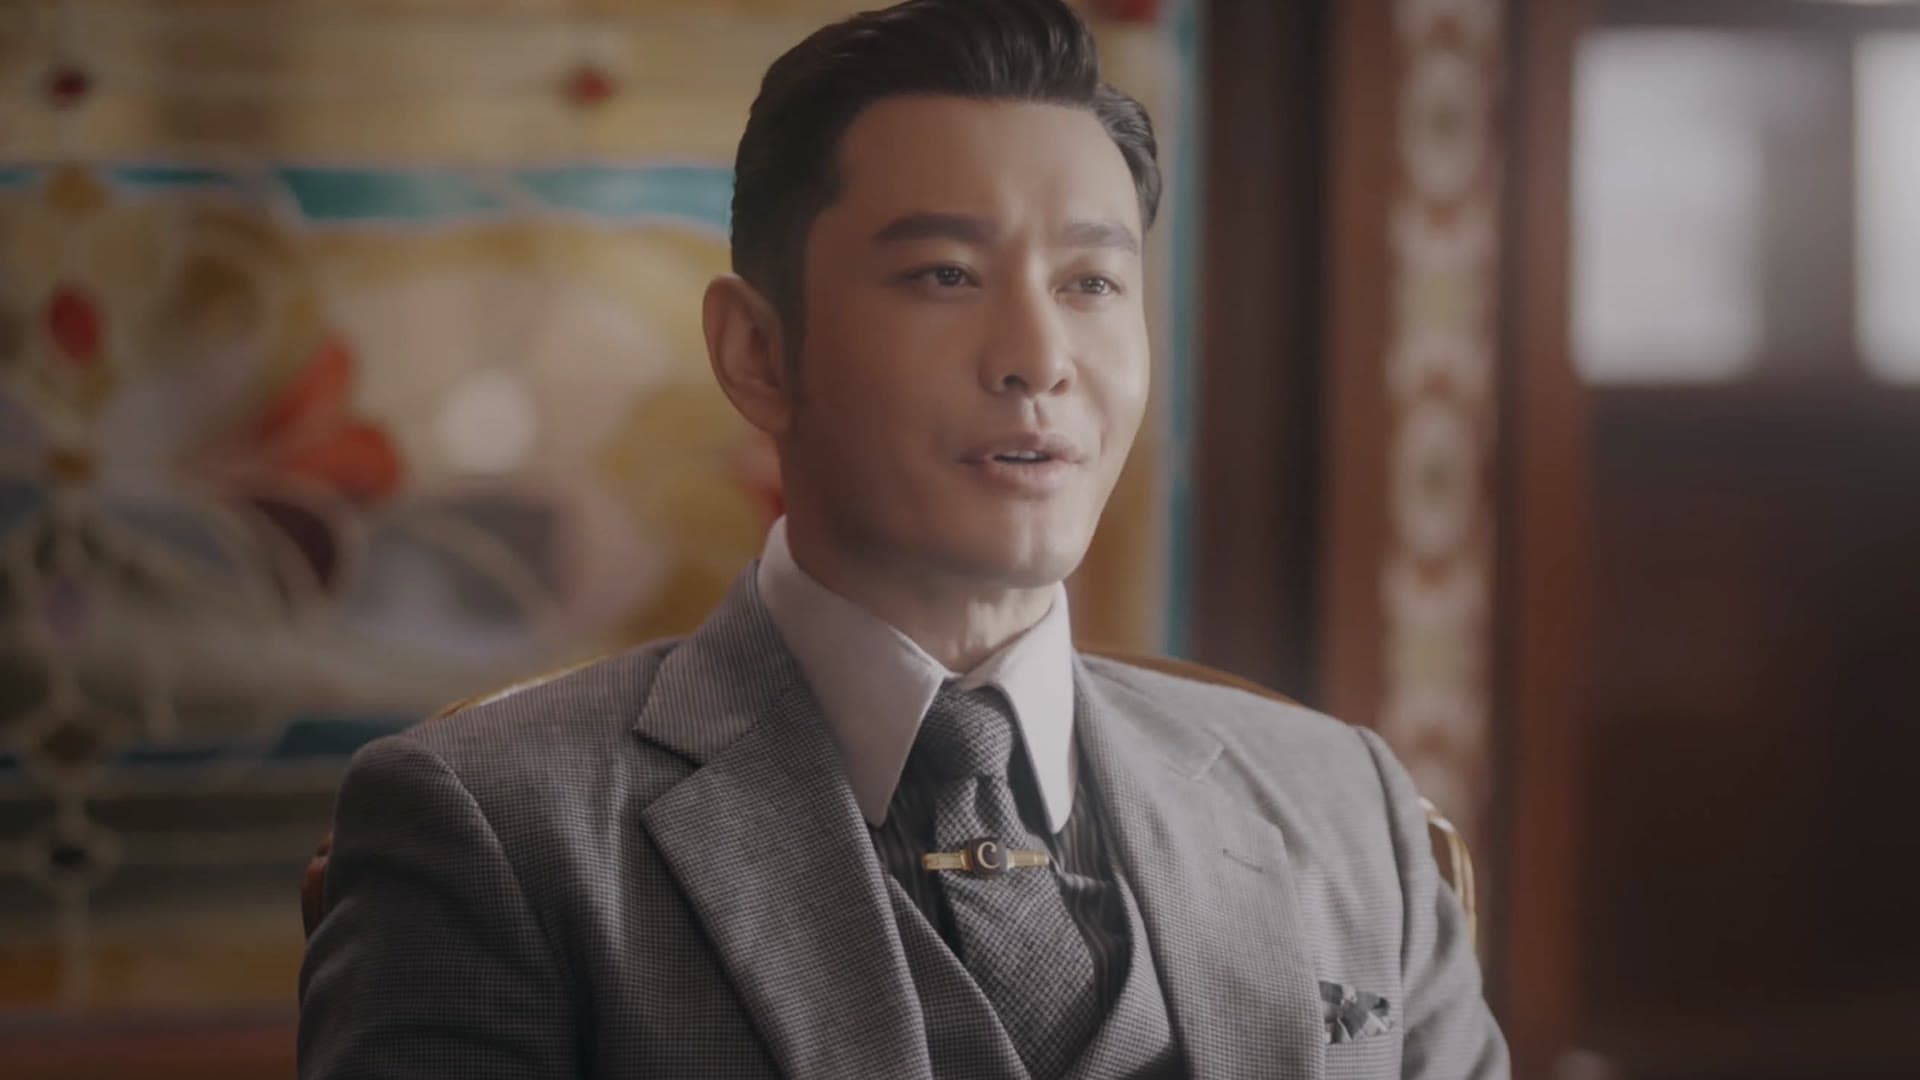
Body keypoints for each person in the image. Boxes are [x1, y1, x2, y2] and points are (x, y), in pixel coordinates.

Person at [297, 1, 1509, 1077]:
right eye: (944, 274)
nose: (1037, 358)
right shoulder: (499, 826)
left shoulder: (1341, 805)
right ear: (757, 353)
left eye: (1092, 284)